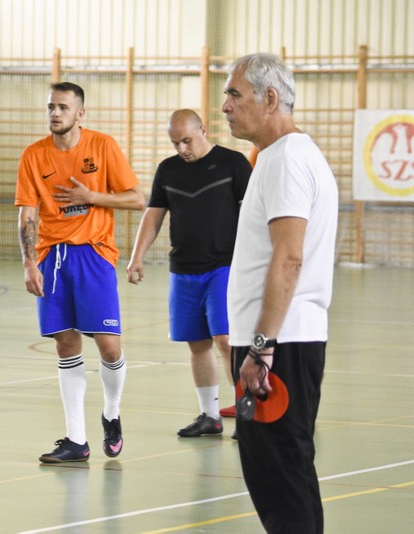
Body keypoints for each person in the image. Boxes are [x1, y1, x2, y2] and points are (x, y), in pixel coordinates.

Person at [222, 53, 338, 533]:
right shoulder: (276, 157)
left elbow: (289, 258)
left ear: (270, 99)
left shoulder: (288, 159)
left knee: (280, 479)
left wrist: (261, 347)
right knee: (284, 474)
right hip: (281, 343)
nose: (225, 105)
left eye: (234, 94)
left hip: (279, 346)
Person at [15, 82, 145, 463]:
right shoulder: (33, 156)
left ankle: (112, 412)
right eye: (51, 106)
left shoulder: (103, 147)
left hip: (95, 254)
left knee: (109, 346)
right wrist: (28, 262)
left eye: (63, 107)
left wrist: (92, 197)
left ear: (80, 113)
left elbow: (137, 199)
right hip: (51, 257)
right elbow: (27, 212)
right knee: (66, 345)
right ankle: (76, 440)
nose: (55, 113)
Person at [127, 109, 251, 438]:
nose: (182, 148)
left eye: (187, 140)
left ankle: (246, 412)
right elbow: (153, 215)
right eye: (175, 142)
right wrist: (137, 256)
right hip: (183, 270)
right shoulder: (168, 170)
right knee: (197, 344)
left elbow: (254, 212)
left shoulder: (233, 164)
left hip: (224, 266)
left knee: (225, 339)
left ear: (203, 130)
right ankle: (209, 416)